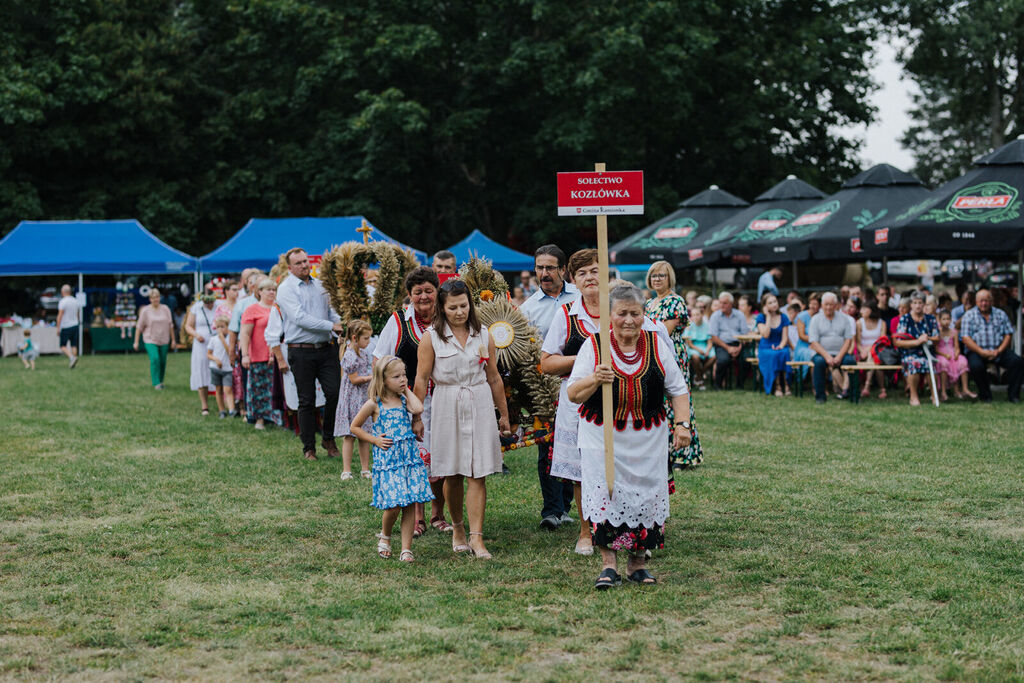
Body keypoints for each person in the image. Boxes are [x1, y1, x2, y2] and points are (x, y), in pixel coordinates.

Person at [567, 284, 691, 589]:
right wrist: (595, 378)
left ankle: (637, 564)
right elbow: (573, 394)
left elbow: (678, 389)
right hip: (601, 437)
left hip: (648, 437)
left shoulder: (657, 344)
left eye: (635, 313)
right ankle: (608, 566)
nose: (629, 320)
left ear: (643, 314)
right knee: (605, 495)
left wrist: (683, 424)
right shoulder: (594, 346)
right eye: (622, 313)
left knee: (646, 497)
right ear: (610, 316)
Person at [414, 279, 511, 560]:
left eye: (464, 306)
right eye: (453, 307)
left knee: (478, 472)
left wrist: (503, 414)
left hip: (479, 400)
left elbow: (493, 376)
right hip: (446, 402)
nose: (460, 312)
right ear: (442, 309)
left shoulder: (483, 335)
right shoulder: (431, 337)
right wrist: (417, 416)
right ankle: (457, 527)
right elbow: (421, 379)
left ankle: (477, 537)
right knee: (453, 472)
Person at [375, 266, 451, 536]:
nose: (423, 297)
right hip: (406, 405)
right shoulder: (398, 321)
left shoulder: (447, 319)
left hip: (443, 400)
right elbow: (379, 360)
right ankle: (416, 517)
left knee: (441, 458)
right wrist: (389, 395)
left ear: (437, 291)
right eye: (417, 292)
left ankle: (437, 514)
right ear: (409, 294)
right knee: (414, 460)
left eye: (429, 291)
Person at [350, 356, 434, 563]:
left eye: (404, 375)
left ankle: (406, 549)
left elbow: (418, 408)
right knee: (393, 506)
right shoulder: (374, 404)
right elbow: (355, 427)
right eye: (397, 376)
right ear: (383, 380)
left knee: (409, 504)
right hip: (389, 461)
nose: (403, 379)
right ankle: (385, 535)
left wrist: (405, 389)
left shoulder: (405, 400)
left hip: (408, 459)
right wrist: (374, 440)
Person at [521, 244, 578, 530]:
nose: (544, 273)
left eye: (550, 268)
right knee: (547, 446)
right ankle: (551, 509)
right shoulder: (528, 309)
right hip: (544, 386)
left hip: (579, 383)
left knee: (574, 443)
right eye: (540, 268)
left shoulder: (579, 299)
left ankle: (567, 505)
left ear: (563, 269)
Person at [276, 250, 342, 454]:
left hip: (325, 349)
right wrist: (331, 325)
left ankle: (328, 438)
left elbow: (331, 311)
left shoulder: (320, 285)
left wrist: (340, 323)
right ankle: (309, 447)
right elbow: (299, 318)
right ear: (290, 268)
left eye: (305, 261)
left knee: (334, 393)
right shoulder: (285, 289)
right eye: (298, 263)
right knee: (307, 400)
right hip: (300, 350)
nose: (304, 265)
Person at [643, 260, 703, 469]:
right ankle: (662, 452)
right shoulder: (649, 303)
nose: (657, 279)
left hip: (672, 354)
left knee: (677, 400)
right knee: (657, 402)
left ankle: (684, 455)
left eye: (662, 275)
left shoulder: (675, 302)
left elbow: (663, 332)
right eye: (654, 275)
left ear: (670, 278)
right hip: (652, 354)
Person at [961, 289, 1023, 403]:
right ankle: (985, 395)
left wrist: (999, 350)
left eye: (986, 301)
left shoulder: (1000, 314)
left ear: (991, 301)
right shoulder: (969, 315)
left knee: (1017, 362)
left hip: (999, 349)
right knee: (976, 366)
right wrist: (981, 351)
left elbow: (1008, 334)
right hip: (977, 351)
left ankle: (1013, 395)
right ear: (976, 301)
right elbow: (965, 338)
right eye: (981, 301)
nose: (983, 303)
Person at [241, 279, 283, 429]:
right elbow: (245, 334)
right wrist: (245, 354)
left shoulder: (279, 308)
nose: (272, 292)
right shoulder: (252, 309)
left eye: (274, 289)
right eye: (268, 289)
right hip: (258, 355)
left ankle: (276, 416)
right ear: (259, 292)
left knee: (276, 387)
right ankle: (259, 418)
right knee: (259, 388)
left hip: (279, 355)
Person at [336, 320, 374, 481]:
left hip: (363, 398)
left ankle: (365, 469)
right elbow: (354, 380)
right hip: (352, 398)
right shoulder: (349, 355)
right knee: (350, 435)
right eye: (365, 338)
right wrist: (372, 377)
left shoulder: (364, 354)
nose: (368, 341)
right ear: (354, 337)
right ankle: (346, 470)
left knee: (363, 434)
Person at [808, 292, 856, 404]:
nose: (828, 307)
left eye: (831, 304)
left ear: (836, 305)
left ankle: (853, 394)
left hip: (840, 353)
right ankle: (820, 396)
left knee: (850, 361)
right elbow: (814, 342)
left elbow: (848, 340)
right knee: (819, 363)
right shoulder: (815, 319)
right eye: (826, 304)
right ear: (822, 305)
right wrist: (827, 356)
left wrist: (839, 356)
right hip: (821, 353)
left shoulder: (844, 319)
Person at [894, 291, 940, 407]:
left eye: (920, 303)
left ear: (924, 304)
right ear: (911, 305)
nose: (917, 305)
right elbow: (898, 342)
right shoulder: (905, 319)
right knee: (914, 364)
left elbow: (937, 338)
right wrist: (917, 341)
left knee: (929, 365)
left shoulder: (930, 319)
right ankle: (913, 396)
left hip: (927, 352)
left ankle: (934, 395)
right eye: (915, 303)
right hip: (910, 352)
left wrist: (927, 338)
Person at [229, 270, 264, 420]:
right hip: (248, 349)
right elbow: (233, 330)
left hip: (267, 350)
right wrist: (232, 351)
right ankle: (251, 412)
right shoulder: (243, 304)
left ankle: (267, 413)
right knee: (248, 381)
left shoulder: (273, 302)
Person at [134, 288, 175, 389]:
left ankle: (161, 381)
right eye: (153, 298)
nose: (155, 299)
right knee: (155, 359)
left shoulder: (165, 309)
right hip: (150, 339)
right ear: (150, 299)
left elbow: (170, 325)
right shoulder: (145, 311)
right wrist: (136, 342)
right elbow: (139, 327)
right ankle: (156, 382)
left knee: (162, 361)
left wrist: (173, 340)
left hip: (164, 338)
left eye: (157, 297)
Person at [185, 290, 218, 415]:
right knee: (201, 370)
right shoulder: (196, 307)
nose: (209, 304)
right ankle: (204, 405)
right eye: (206, 302)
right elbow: (188, 325)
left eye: (211, 301)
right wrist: (196, 335)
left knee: (219, 369)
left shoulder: (219, 306)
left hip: (216, 343)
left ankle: (222, 401)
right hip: (201, 343)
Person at [708, 292, 748, 389]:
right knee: (723, 360)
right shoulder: (715, 316)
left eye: (724, 303)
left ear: (731, 304)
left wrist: (739, 348)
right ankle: (718, 385)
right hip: (722, 344)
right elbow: (713, 336)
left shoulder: (740, 315)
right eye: (720, 302)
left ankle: (740, 385)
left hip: (739, 343)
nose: (721, 305)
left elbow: (745, 334)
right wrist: (728, 348)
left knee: (746, 359)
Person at [755, 294, 790, 396]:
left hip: (780, 344)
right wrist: (768, 317)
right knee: (773, 355)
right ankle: (777, 386)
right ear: (765, 306)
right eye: (770, 303)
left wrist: (781, 346)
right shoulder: (761, 317)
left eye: (775, 301)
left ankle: (786, 384)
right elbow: (765, 334)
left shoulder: (783, 317)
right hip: (766, 346)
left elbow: (785, 338)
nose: (774, 304)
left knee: (784, 353)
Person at [935, 309, 973, 400]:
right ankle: (943, 391)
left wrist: (956, 353)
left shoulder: (954, 332)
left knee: (962, 361)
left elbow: (957, 346)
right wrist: (944, 355)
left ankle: (964, 388)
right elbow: (935, 348)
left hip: (952, 353)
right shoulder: (937, 332)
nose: (946, 321)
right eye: (944, 319)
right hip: (941, 354)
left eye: (948, 319)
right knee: (944, 363)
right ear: (939, 320)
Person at [856, 303, 887, 400]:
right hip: (863, 350)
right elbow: (857, 342)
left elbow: (882, 341)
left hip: (878, 349)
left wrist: (870, 349)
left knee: (873, 356)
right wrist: (862, 350)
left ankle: (867, 386)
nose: (862, 311)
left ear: (872, 310)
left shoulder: (882, 323)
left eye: (865, 309)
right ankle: (882, 389)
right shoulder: (859, 323)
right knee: (873, 357)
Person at [207, 315, 237, 418]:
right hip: (215, 368)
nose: (220, 329)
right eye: (218, 327)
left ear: (228, 327)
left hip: (227, 368)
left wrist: (223, 340)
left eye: (222, 326)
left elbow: (230, 351)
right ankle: (222, 410)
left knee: (228, 389)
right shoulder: (213, 339)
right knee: (218, 389)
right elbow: (209, 353)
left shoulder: (230, 339)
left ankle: (232, 410)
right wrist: (215, 359)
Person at [682, 305, 713, 389]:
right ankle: (700, 379)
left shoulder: (707, 325)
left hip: (705, 345)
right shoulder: (689, 326)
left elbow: (710, 342)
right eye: (693, 315)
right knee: (695, 357)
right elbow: (689, 343)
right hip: (693, 347)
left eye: (697, 314)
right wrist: (699, 350)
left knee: (713, 356)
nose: (696, 317)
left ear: (701, 315)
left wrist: (707, 350)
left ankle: (698, 375)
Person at [791, 294, 819, 383]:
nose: (812, 306)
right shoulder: (802, 316)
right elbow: (801, 335)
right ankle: (815, 385)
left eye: (815, 304)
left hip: (819, 345)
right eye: (811, 303)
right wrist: (814, 342)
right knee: (813, 355)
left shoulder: (822, 316)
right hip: (804, 346)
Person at [55, 284, 82, 369]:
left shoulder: (63, 302)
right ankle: (73, 362)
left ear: (63, 292)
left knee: (63, 346)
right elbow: (78, 314)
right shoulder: (75, 301)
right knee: (73, 345)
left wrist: (58, 328)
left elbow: (60, 316)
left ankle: (72, 358)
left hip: (66, 326)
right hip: (75, 324)